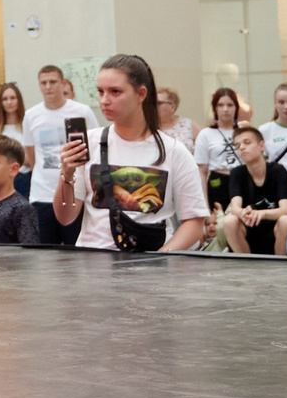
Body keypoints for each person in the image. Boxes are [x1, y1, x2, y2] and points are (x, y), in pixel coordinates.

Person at [52, 55, 208, 254]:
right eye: (100, 92)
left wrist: (160, 257)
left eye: (115, 92)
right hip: (94, 265)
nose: (104, 100)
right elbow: (65, 218)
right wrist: (66, 174)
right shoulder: (89, 144)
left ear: (141, 94)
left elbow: (194, 221)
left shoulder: (174, 151)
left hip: (150, 267)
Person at [22, 65, 89, 246]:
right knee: (45, 251)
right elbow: (32, 154)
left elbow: (93, 149)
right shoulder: (30, 115)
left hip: (74, 193)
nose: (48, 86)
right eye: (43, 83)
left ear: (62, 83)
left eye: (53, 82)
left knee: (75, 248)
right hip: (42, 194)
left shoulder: (82, 111)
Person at [215, 124, 287, 255]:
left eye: (247, 142)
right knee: (229, 221)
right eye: (237, 146)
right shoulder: (237, 173)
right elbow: (235, 207)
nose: (242, 148)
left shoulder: (277, 170)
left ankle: (281, 268)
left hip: (274, 231)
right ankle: (245, 267)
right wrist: (243, 213)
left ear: (261, 146)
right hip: (248, 230)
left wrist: (261, 214)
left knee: (286, 221)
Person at [189, 85, 245, 208]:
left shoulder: (244, 132)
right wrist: (205, 206)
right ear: (215, 108)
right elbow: (201, 172)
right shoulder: (206, 134)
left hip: (243, 180)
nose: (225, 109)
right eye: (220, 105)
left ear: (236, 107)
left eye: (230, 105)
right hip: (218, 182)